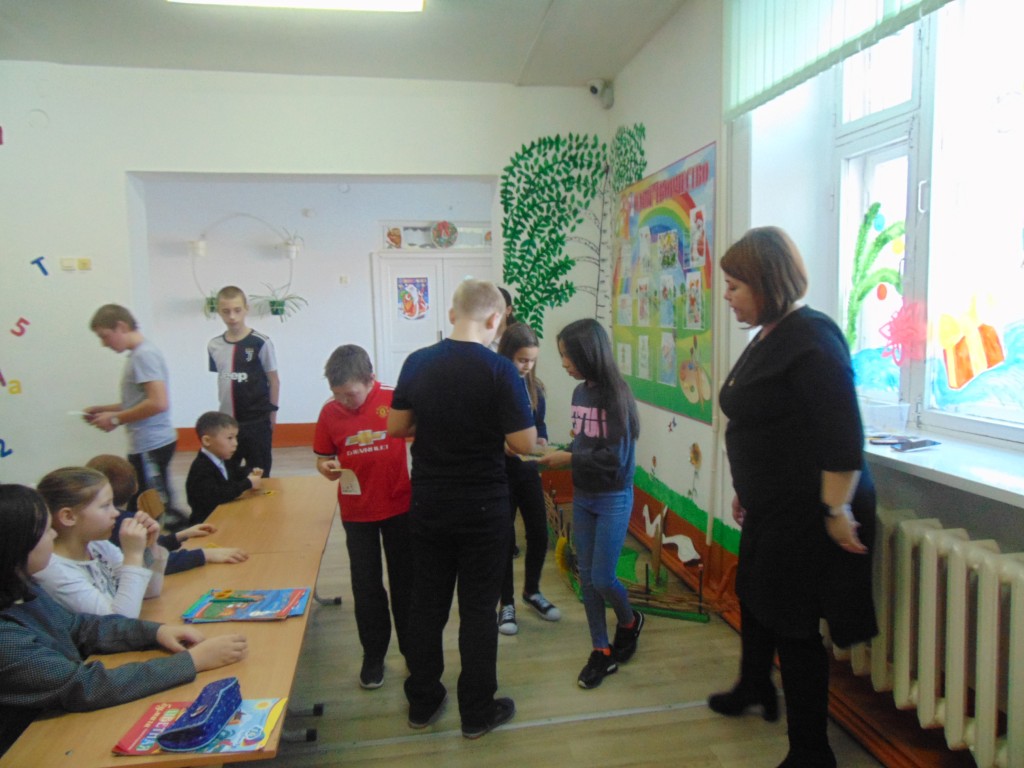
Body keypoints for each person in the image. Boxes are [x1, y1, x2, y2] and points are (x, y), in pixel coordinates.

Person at [711, 227, 877, 768]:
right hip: (771, 505)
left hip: (808, 511)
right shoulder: (770, 333)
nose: (728, 296)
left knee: (793, 624)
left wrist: (835, 510)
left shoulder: (813, 340)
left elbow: (843, 438)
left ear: (767, 283)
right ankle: (754, 684)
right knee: (754, 595)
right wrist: (747, 490)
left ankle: (811, 751)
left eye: (735, 286)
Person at [388, 279, 536, 739]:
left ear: (453, 314)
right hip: (483, 507)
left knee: (426, 604)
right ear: (495, 320)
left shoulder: (417, 361)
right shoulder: (501, 371)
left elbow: (396, 426)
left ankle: (422, 702)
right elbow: (524, 443)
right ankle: (476, 712)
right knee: (477, 611)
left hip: (429, 502)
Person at [0, 483, 247, 756]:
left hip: (57, 723)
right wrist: (191, 661)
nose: (54, 534)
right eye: (45, 530)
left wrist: (155, 632)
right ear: (15, 544)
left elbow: (81, 627)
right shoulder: (5, 635)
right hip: (29, 746)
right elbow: (82, 686)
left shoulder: (21, 586)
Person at [538, 318, 644, 690]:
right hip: (583, 495)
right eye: (562, 356)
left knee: (602, 577)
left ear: (589, 353)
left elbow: (614, 458)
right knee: (586, 577)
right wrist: (559, 451)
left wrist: (569, 459)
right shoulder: (579, 393)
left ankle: (629, 621)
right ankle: (601, 649)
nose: (564, 364)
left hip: (613, 496)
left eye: (568, 356)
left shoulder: (616, 396)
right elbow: (586, 444)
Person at [313, 345, 412, 690]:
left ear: (370, 380)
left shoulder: (395, 398)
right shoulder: (329, 413)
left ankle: (413, 651)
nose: (344, 401)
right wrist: (325, 467)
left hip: (399, 506)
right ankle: (373, 655)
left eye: (350, 394)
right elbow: (322, 457)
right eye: (337, 394)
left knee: (406, 583)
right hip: (357, 513)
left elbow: (422, 435)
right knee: (366, 586)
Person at [84, 304, 187, 531]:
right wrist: (106, 410)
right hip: (146, 444)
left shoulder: (144, 355)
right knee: (143, 501)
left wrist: (115, 419)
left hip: (151, 443)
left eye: (105, 336)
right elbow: (139, 402)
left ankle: (179, 540)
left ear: (121, 326)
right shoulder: (140, 354)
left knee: (158, 506)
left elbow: (158, 402)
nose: (104, 343)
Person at [495, 322, 560, 635]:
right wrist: (503, 445)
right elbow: (484, 431)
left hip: (528, 472)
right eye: (522, 360)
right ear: (506, 355)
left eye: (532, 360)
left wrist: (542, 439)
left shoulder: (536, 387)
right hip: (499, 474)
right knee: (504, 540)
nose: (527, 366)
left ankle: (531, 591)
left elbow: (539, 424)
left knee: (539, 534)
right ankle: (506, 603)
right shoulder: (492, 386)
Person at [33, 467, 168, 619]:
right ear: (69, 517)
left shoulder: (97, 545)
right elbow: (120, 622)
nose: (116, 513)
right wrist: (133, 555)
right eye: (105, 506)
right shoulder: (55, 573)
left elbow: (148, 591)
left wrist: (150, 546)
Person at [86, 454, 248, 575]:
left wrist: (179, 536)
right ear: (135, 487)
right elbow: (156, 562)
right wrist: (204, 554)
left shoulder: (117, 521)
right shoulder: (125, 523)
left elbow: (150, 545)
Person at [208, 285, 280, 477]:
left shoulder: (261, 342)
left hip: (257, 422)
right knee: (228, 475)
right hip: (227, 423)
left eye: (237, 310)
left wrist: (272, 417)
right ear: (218, 311)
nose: (232, 316)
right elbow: (223, 379)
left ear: (246, 309)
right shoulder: (214, 345)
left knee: (261, 475)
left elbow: (274, 381)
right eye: (226, 311)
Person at [185, 411, 264, 525]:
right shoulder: (202, 468)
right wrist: (248, 483)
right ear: (207, 441)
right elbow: (219, 495)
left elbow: (234, 473)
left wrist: (250, 473)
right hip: (207, 523)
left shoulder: (222, 459)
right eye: (229, 438)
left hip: (224, 516)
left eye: (236, 438)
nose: (235, 443)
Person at [488, 286, 517, 352]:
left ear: (508, 310)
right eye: (488, 307)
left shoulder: (515, 340)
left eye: (497, 308)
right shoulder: (477, 336)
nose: (492, 312)